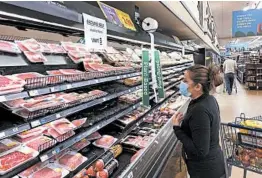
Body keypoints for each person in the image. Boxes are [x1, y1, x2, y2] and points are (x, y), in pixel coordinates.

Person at [172, 65, 225, 178]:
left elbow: (200, 151)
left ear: (197, 87)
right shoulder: (209, 99)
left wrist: (177, 129)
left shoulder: (200, 109)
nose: (182, 83)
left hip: (206, 171)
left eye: (185, 81)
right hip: (213, 164)